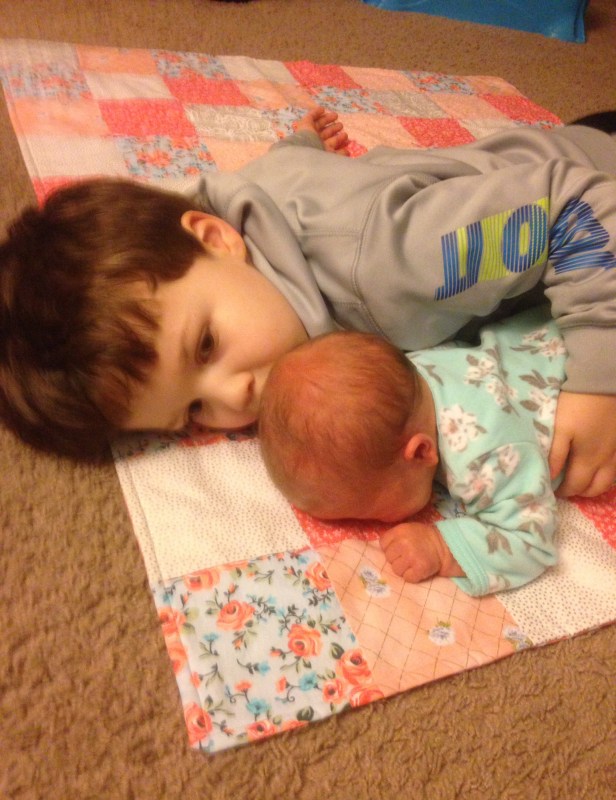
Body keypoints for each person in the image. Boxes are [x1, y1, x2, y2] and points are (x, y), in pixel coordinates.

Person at [1, 107, 615, 498]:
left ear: (217, 237)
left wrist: (600, 380)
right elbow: (274, 172)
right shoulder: (217, 233)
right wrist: (303, 146)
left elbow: (575, 213)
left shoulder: (393, 266)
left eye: (206, 346)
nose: (235, 398)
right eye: (192, 411)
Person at [259, 308, 566, 596]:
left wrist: (442, 548)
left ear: (420, 453)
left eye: (369, 511)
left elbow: (532, 541)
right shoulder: (407, 376)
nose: (371, 525)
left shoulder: (485, 457)